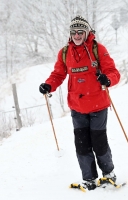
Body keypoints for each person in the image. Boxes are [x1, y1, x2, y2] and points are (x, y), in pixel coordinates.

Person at [39, 15, 121, 190]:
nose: (77, 35)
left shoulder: (98, 49)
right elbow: (58, 75)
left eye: (80, 32)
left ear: (87, 32)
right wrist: (48, 85)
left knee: (99, 142)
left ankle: (109, 174)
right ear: (70, 34)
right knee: (82, 144)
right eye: (74, 32)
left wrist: (107, 79)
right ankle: (89, 179)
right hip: (77, 107)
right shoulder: (64, 52)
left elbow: (113, 72)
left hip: (98, 105)